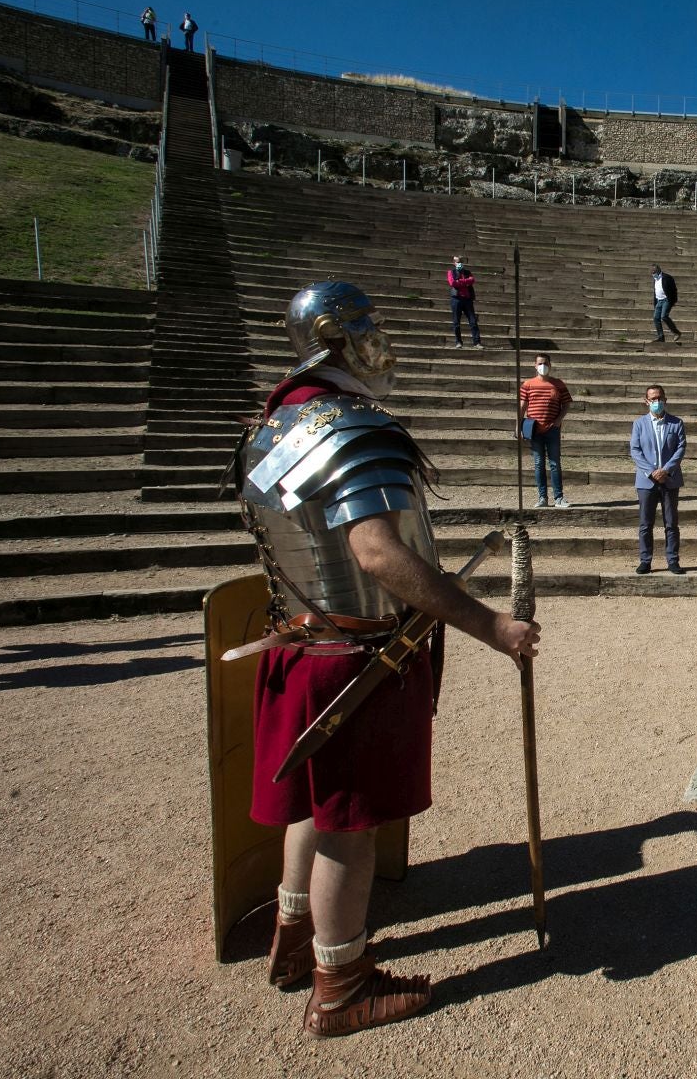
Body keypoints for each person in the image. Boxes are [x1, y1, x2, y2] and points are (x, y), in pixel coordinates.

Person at [234, 281, 539, 1037]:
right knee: (349, 824)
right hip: (358, 659)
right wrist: (493, 627)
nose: (382, 341)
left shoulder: (271, 427)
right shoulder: (353, 427)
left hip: (303, 643)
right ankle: (341, 987)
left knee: (315, 807)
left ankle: (294, 937)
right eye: (368, 327)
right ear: (335, 339)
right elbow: (376, 553)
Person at [630, 385, 686, 575]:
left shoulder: (676, 423)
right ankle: (645, 560)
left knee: (671, 523)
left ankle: (673, 560)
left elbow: (680, 448)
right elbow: (635, 450)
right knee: (646, 524)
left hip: (670, 479)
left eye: (660, 398)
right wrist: (652, 471)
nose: (657, 401)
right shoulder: (639, 424)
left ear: (665, 399)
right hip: (647, 481)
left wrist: (666, 470)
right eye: (653, 398)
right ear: (646, 401)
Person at [517, 352, 572, 509]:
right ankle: (542, 497)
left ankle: (559, 498)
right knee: (538, 463)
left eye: (546, 363)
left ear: (550, 365)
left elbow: (566, 404)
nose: (543, 366)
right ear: (535, 365)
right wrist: (518, 426)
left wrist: (558, 420)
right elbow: (522, 407)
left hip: (552, 429)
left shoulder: (558, 384)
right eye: (540, 363)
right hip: (534, 429)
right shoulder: (528, 384)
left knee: (555, 463)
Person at [447, 255, 480, 348]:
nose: (459, 263)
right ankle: (458, 342)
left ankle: (477, 342)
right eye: (458, 262)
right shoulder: (451, 272)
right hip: (456, 299)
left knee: (473, 321)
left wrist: (460, 282)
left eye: (461, 262)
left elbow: (472, 280)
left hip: (467, 299)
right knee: (456, 322)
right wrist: (465, 282)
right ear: (454, 263)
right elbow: (452, 283)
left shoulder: (467, 272)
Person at [650, 263, 681, 343]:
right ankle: (661, 337)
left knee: (664, 316)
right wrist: (655, 303)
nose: (652, 273)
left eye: (654, 272)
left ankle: (676, 332)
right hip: (659, 301)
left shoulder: (667, 277)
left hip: (666, 300)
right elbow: (655, 291)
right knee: (656, 318)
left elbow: (674, 289)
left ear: (658, 271)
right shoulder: (655, 279)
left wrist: (673, 301)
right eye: (651, 272)